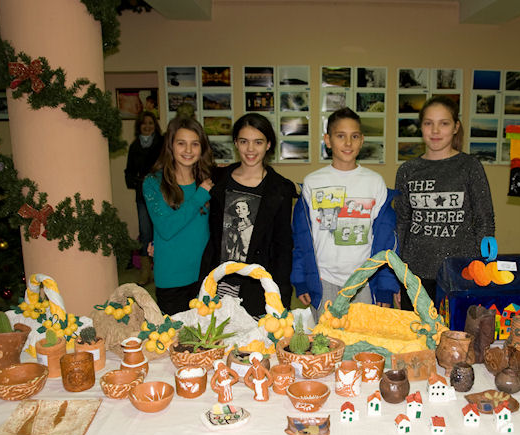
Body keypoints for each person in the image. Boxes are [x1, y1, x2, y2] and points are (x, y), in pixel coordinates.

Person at [292, 107, 399, 316]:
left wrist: (385, 288)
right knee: (325, 336)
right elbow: (301, 239)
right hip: (323, 281)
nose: (348, 143)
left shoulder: (375, 183)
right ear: (328, 140)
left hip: (364, 282)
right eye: (340, 136)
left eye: (354, 136)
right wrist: (301, 280)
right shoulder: (312, 182)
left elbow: (387, 242)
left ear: (362, 140)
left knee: (364, 336)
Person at [394, 95, 495, 310]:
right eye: (428, 123)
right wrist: (397, 276)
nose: (435, 130)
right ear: (421, 127)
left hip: (460, 273)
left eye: (444, 123)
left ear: (456, 127)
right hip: (415, 275)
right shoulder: (407, 170)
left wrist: (481, 267)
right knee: (416, 332)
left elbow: (484, 219)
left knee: (456, 330)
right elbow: (401, 223)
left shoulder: (469, 166)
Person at [200, 113, 296, 318]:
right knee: (217, 333)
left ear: (268, 144)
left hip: (257, 286)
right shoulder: (217, 179)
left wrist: (281, 297)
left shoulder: (280, 188)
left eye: (258, 142)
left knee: (252, 336)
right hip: (219, 280)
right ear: (236, 143)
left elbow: (283, 247)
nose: (250, 149)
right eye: (244, 141)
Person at [143, 116, 215, 315]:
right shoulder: (153, 183)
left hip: (206, 277)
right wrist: (200, 196)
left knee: (208, 334)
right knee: (175, 334)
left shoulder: (209, 180)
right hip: (172, 278)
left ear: (202, 148)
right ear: (170, 146)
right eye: (181, 143)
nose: (188, 150)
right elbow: (166, 228)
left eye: (195, 144)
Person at [125, 111, 163, 286]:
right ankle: (145, 271)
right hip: (142, 195)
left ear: (155, 126)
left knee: (161, 230)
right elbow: (129, 171)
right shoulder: (134, 146)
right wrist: (137, 182)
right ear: (139, 126)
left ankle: (160, 269)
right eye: (144, 123)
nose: (147, 126)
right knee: (145, 231)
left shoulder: (161, 143)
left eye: (150, 123)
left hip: (161, 194)